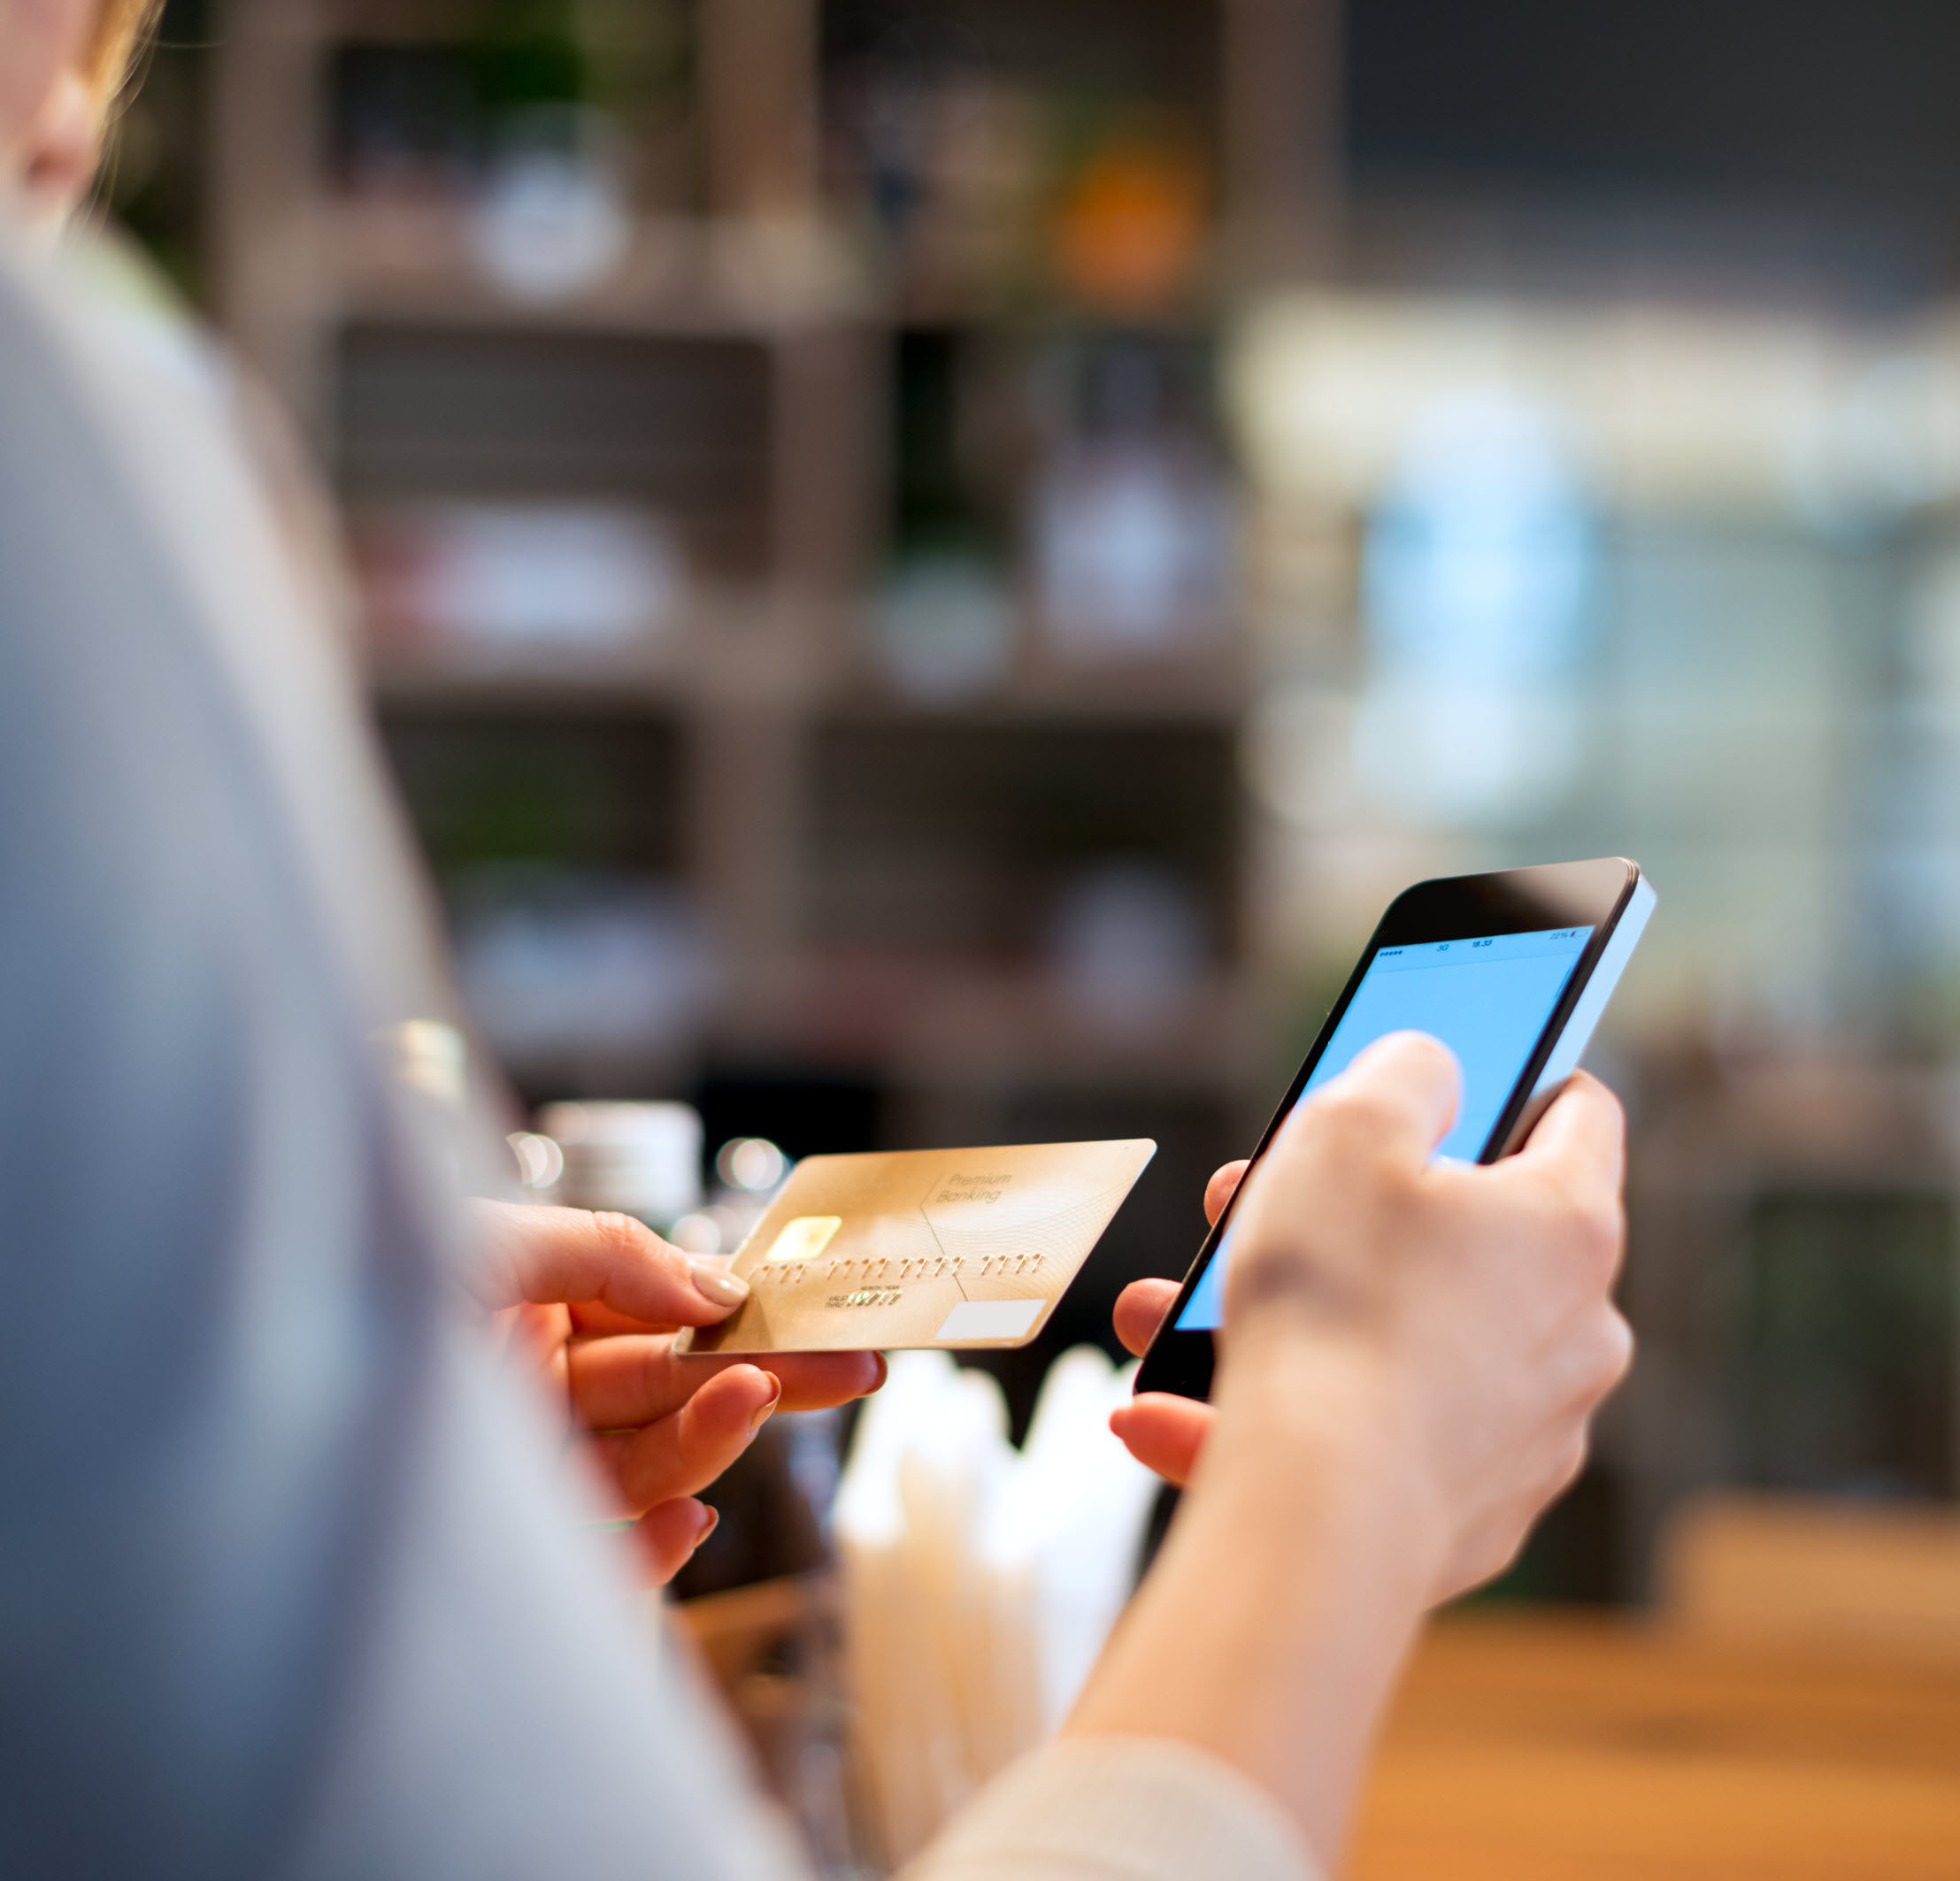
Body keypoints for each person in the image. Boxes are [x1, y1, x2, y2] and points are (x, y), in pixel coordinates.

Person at [0, 5, 1634, 1877]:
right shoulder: (53, 467)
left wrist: (329, 1455)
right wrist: (1349, 1459)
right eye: (47, 174)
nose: (81, 280)